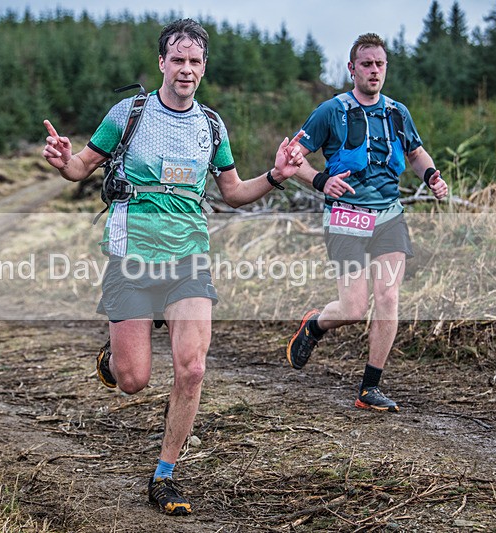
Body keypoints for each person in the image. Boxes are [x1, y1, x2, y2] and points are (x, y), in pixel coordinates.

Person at [42, 18, 304, 515]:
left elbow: (232, 192)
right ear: (161, 63)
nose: (186, 69)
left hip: (188, 258)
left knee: (193, 368)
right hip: (133, 254)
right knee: (134, 379)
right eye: (178, 60)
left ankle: (165, 474)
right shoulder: (129, 113)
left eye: (195, 61)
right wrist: (63, 162)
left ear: (204, 68)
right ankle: (116, 356)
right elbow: (81, 167)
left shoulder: (211, 125)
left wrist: (273, 175)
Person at [286, 33, 448, 413]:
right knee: (354, 307)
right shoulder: (330, 111)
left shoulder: (397, 112)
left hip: (388, 217)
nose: (374, 71)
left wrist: (432, 176)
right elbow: (292, 158)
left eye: (380, 64)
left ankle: (369, 388)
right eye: (366, 64)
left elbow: (416, 152)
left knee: (389, 296)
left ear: (385, 68)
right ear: (352, 68)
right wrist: (321, 180)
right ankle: (315, 325)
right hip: (345, 219)